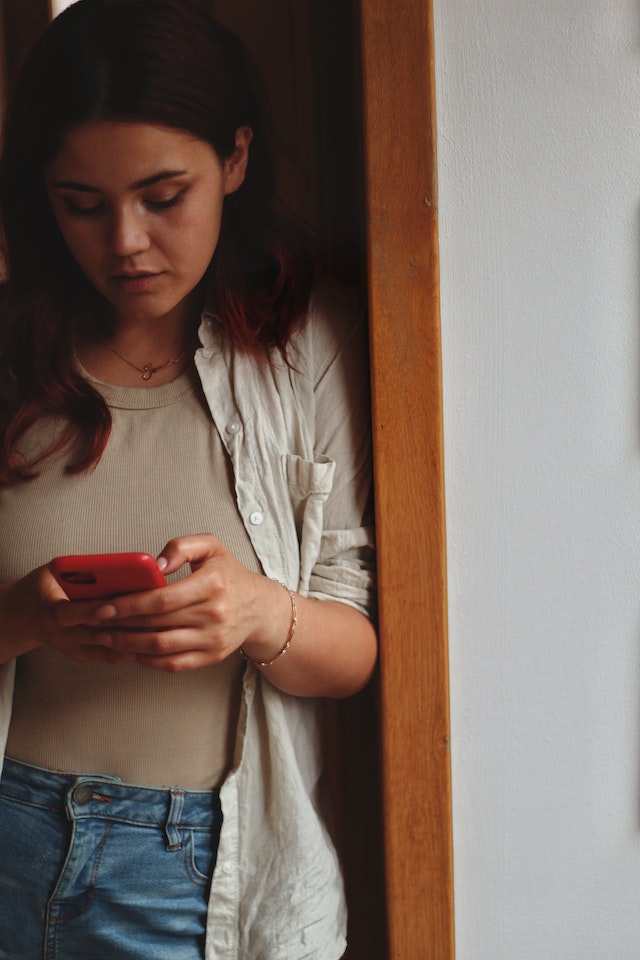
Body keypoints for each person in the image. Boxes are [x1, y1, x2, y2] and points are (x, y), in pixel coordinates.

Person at [0, 1, 377, 958]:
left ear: (235, 160)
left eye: (163, 196)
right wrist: (28, 621)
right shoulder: (12, 349)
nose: (124, 241)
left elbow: (358, 651)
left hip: (197, 868)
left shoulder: (310, 347)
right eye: (81, 204)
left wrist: (254, 612)